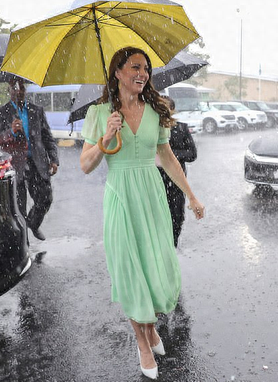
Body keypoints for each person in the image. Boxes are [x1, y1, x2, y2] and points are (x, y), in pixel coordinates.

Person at [79, 47, 205, 380]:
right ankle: (142, 341)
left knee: (154, 266)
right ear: (117, 72)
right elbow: (85, 166)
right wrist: (106, 136)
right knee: (131, 270)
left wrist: (191, 196)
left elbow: (168, 158)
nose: (143, 73)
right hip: (121, 196)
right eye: (135, 67)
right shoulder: (100, 113)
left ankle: (150, 328)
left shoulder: (154, 110)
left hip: (151, 196)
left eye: (146, 68)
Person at [0, 77, 59, 241]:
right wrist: (11, 132)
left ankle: (33, 224)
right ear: (9, 90)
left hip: (38, 164)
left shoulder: (37, 110)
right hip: (15, 166)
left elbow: (48, 137)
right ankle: (23, 243)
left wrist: (54, 159)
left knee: (45, 199)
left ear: (25, 90)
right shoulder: (0, 112)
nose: (18, 91)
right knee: (18, 207)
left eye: (21, 88)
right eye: (14, 88)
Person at [156, 95, 198, 248]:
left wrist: (169, 155)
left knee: (176, 219)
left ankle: (171, 249)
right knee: (156, 222)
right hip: (154, 183)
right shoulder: (150, 129)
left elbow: (192, 154)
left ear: (172, 110)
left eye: (166, 108)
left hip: (176, 184)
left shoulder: (181, 128)